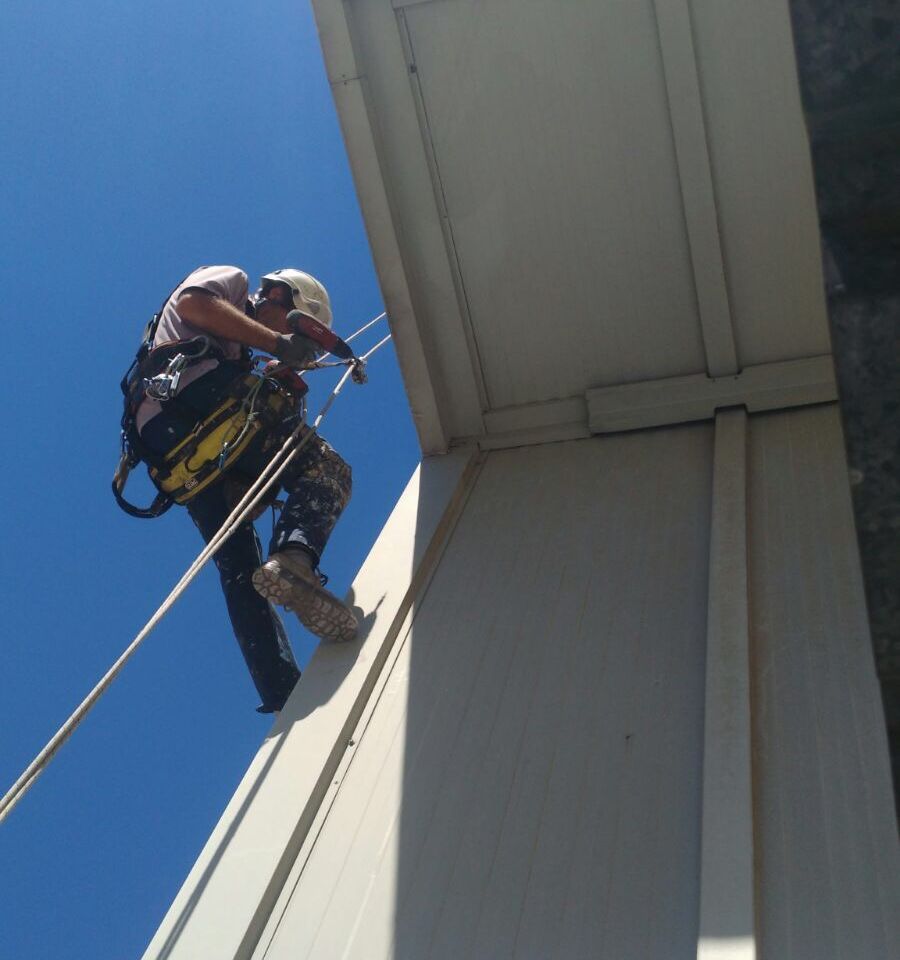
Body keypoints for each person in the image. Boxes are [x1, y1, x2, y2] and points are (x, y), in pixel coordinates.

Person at [135, 265, 356, 713]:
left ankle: (281, 691)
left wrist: (274, 373)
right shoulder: (230, 279)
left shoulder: (234, 351)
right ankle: (295, 561)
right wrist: (280, 345)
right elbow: (193, 304)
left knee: (241, 566)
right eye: (303, 331)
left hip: (178, 454)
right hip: (200, 404)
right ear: (280, 296)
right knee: (327, 469)